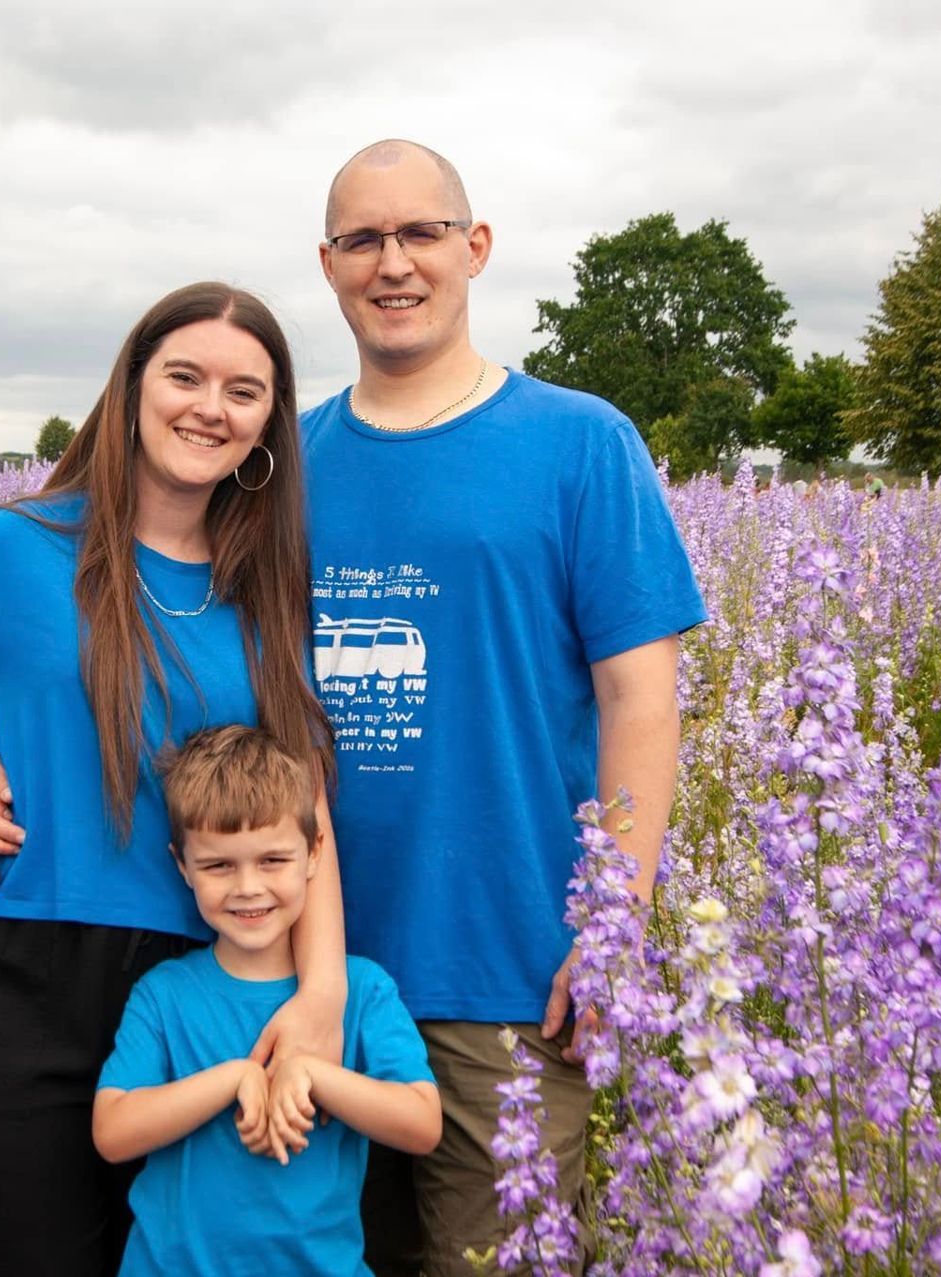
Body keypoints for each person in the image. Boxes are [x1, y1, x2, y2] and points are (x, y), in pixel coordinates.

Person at [0, 282, 346, 1277]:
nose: (212, 407)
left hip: (209, 980)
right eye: (186, 376)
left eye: (244, 392)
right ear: (130, 388)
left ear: (266, 428)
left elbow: (304, 796)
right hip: (24, 973)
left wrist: (321, 985)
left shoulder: (266, 587)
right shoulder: (9, 547)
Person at [304, 140, 707, 1274]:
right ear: (327, 265)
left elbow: (641, 698)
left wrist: (612, 927)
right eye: (364, 239)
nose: (395, 263)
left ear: (474, 248)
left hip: (511, 972)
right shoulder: (283, 460)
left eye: (422, 232)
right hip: (304, 971)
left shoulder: (581, 442)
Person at [93, 725, 440, 1276]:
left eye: (273, 860)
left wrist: (312, 1074)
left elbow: (422, 1123)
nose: (248, 887)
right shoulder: (164, 995)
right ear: (182, 865)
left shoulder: (361, 992)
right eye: (218, 865)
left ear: (314, 852)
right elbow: (113, 1133)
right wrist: (234, 1079)